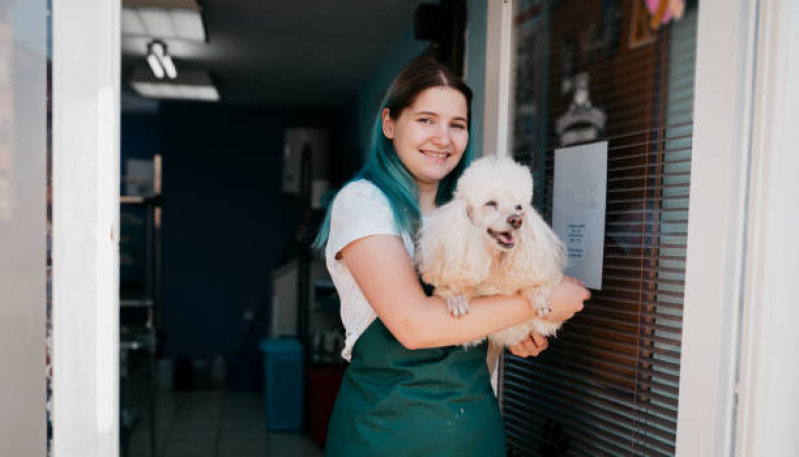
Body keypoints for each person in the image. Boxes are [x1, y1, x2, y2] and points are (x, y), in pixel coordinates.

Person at [313, 57, 589, 456]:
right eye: (426, 120)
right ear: (389, 124)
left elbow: (481, 319)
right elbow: (415, 325)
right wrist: (537, 299)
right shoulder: (364, 202)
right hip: (385, 436)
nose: (443, 138)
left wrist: (516, 330)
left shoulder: (473, 216)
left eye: (457, 125)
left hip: (472, 434)